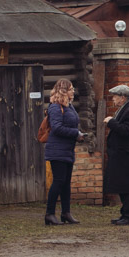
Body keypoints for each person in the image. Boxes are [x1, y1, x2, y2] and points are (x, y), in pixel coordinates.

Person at [44, 79, 84, 226]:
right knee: (58, 181)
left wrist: (79, 135)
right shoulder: (55, 107)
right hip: (57, 151)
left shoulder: (69, 106)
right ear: (63, 90)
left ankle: (66, 213)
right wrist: (75, 133)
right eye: (71, 89)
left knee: (66, 183)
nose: (73, 91)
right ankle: (49, 214)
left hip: (67, 150)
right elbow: (57, 128)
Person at [103, 84, 129, 225]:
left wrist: (111, 122)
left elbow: (127, 130)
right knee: (124, 186)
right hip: (123, 156)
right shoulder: (124, 109)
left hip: (127, 157)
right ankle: (125, 214)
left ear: (123, 97)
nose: (113, 99)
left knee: (128, 187)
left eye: (115, 96)